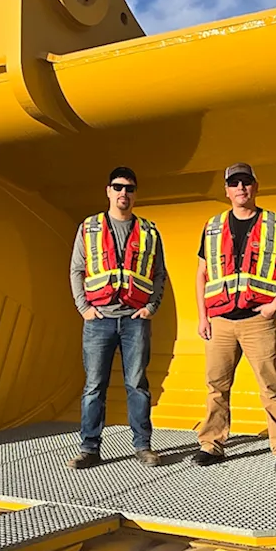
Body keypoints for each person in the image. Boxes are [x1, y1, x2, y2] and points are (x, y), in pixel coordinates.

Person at [193, 162, 276, 472]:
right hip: (221, 321)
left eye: (246, 182)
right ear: (226, 191)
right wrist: (203, 317)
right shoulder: (213, 226)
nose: (241, 188)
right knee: (216, 385)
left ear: (255, 187)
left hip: (258, 320)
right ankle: (211, 444)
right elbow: (202, 272)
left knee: (272, 386)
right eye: (235, 183)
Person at [67, 167, 168, 469]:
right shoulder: (89, 227)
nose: (124, 193)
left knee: (137, 384)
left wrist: (152, 306)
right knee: (94, 385)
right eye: (118, 187)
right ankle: (89, 448)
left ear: (135, 194)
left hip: (135, 320)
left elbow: (160, 274)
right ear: (108, 191)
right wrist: (83, 308)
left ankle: (143, 446)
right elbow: (76, 269)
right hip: (98, 319)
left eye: (130, 188)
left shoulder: (149, 231)